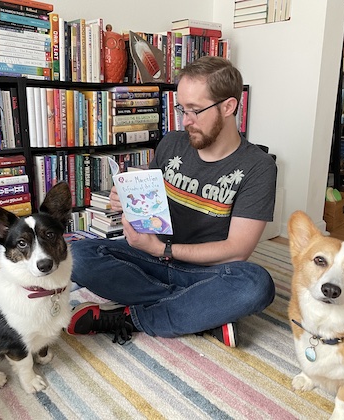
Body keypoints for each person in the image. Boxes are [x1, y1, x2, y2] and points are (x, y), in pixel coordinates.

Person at [67, 56, 277, 347]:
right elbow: (151, 208)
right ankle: (202, 312)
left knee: (256, 285)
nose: (185, 120)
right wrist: (128, 198)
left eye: (195, 110)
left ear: (229, 107)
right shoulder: (172, 143)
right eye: (181, 108)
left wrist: (162, 248)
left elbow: (236, 251)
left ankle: (132, 318)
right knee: (75, 255)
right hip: (151, 259)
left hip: (206, 272)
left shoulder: (258, 167)